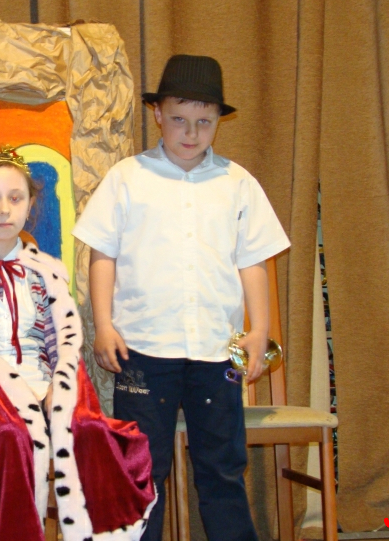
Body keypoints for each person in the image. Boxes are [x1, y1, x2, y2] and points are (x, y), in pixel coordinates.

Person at [73, 55, 291, 541]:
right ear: (157, 114)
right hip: (143, 350)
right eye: (178, 119)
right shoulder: (127, 178)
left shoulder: (238, 184)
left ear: (218, 121)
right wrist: (104, 325)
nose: (190, 133)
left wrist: (259, 330)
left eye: (203, 122)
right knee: (142, 471)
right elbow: (103, 255)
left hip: (218, 353)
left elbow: (253, 261)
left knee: (223, 467)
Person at [0, 146, 157, 541]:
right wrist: (13, 396)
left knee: (91, 432)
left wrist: (58, 389)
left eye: (16, 198)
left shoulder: (45, 274)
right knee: (7, 438)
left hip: (45, 389)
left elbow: (64, 347)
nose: (4, 210)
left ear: (29, 205)